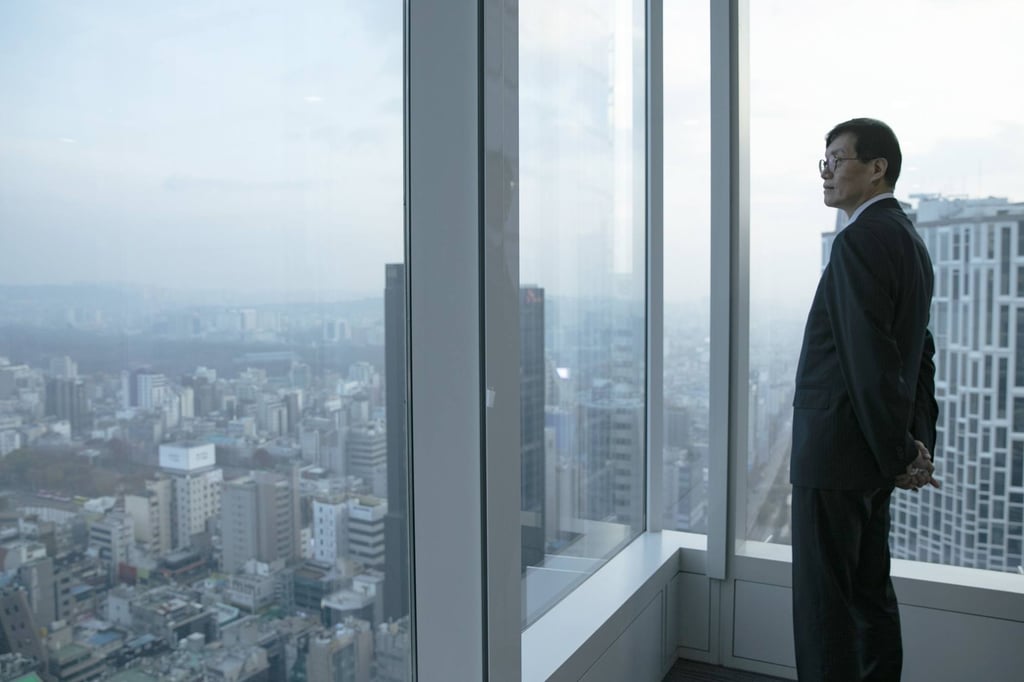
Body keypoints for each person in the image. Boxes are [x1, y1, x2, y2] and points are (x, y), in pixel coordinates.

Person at [789, 118, 940, 681]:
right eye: (823, 161)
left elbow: (867, 361)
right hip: (873, 461)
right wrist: (914, 443)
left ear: (878, 169)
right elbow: (918, 352)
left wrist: (902, 453)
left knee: (824, 609)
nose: (826, 171)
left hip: (835, 456)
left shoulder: (858, 240)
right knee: (870, 598)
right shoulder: (911, 243)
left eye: (838, 158)